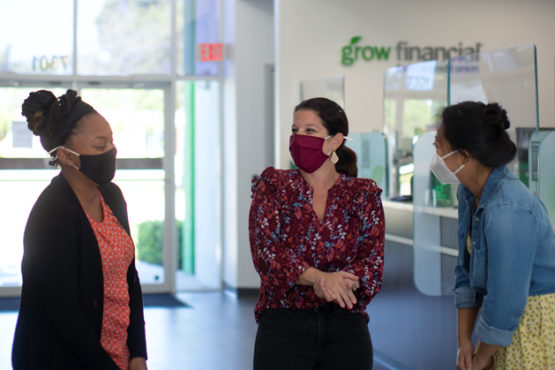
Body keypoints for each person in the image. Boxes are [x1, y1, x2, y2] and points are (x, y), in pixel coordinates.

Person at [12, 89, 148, 370]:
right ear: (66, 155)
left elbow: (129, 280)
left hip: (117, 354)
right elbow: (64, 314)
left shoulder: (111, 196)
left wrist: (137, 352)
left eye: (111, 141)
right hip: (64, 359)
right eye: (100, 146)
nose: (110, 151)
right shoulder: (51, 214)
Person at [249, 97, 385, 370]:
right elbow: (267, 254)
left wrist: (341, 284)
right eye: (295, 130)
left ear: (335, 141)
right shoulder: (274, 186)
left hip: (346, 327)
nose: (299, 138)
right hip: (282, 327)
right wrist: (320, 279)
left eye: (310, 131)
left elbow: (372, 262)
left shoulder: (363, 194)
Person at [431, 101, 555, 370]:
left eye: (439, 144)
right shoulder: (468, 193)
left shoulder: (509, 208)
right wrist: (464, 340)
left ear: (464, 156)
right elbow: (465, 273)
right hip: (498, 326)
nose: (435, 151)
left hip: (529, 325)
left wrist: (482, 357)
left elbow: (506, 298)